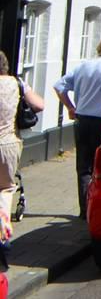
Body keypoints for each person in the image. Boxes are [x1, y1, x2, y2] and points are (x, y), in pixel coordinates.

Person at [54, 36, 101, 217]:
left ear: (99, 50)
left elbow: (59, 86)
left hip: (82, 120)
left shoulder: (83, 66)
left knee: (84, 167)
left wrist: (70, 107)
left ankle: (85, 209)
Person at [0, 49, 45, 264]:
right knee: (5, 189)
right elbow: (39, 105)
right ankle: (2, 236)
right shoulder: (17, 83)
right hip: (9, 145)